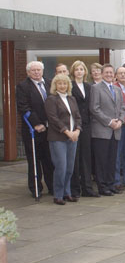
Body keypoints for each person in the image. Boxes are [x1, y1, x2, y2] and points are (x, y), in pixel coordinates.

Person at [16, 61, 54, 198]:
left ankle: (52, 186)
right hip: (33, 130)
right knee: (34, 161)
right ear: (28, 72)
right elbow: (24, 107)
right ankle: (36, 188)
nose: (36, 72)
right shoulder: (23, 86)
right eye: (33, 70)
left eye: (39, 70)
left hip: (50, 129)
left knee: (49, 160)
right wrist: (37, 124)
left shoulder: (50, 83)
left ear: (42, 71)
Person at [45, 74, 82, 205]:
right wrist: (67, 132)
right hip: (58, 138)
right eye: (60, 84)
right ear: (55, 85)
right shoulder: (51, 99)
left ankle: (67, 193)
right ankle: (58, 195)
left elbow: (77, 116)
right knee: (61, 166)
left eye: (65, 83)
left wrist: (77, 130)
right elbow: (53, 119)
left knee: (70, 168)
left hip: (73, 138)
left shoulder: (72, 99)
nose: (62, 86)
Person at [89, 64, 125, 196]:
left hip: (116, 131)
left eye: (111, 72)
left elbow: (122, 107)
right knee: (101, 161)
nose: (109, 74)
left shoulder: (117, 89)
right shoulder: (96, 88)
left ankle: (111, 184)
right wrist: (109, 122)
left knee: (112, 159)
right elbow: (94, 108)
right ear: (102, 74)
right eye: (107, 72)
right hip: (102, 130)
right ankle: (102, 186)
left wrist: (120, 121)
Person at [69, 61, 97, 197]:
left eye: (81, 69)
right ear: (73, 72)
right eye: (76, 69)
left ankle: (87, 188)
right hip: (74, 125)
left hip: (87, 125)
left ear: (85, 71)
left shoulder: (89, 87)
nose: (79, 72)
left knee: (86, 157)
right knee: (75, 157)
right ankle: (75, 189)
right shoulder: (70, 86)